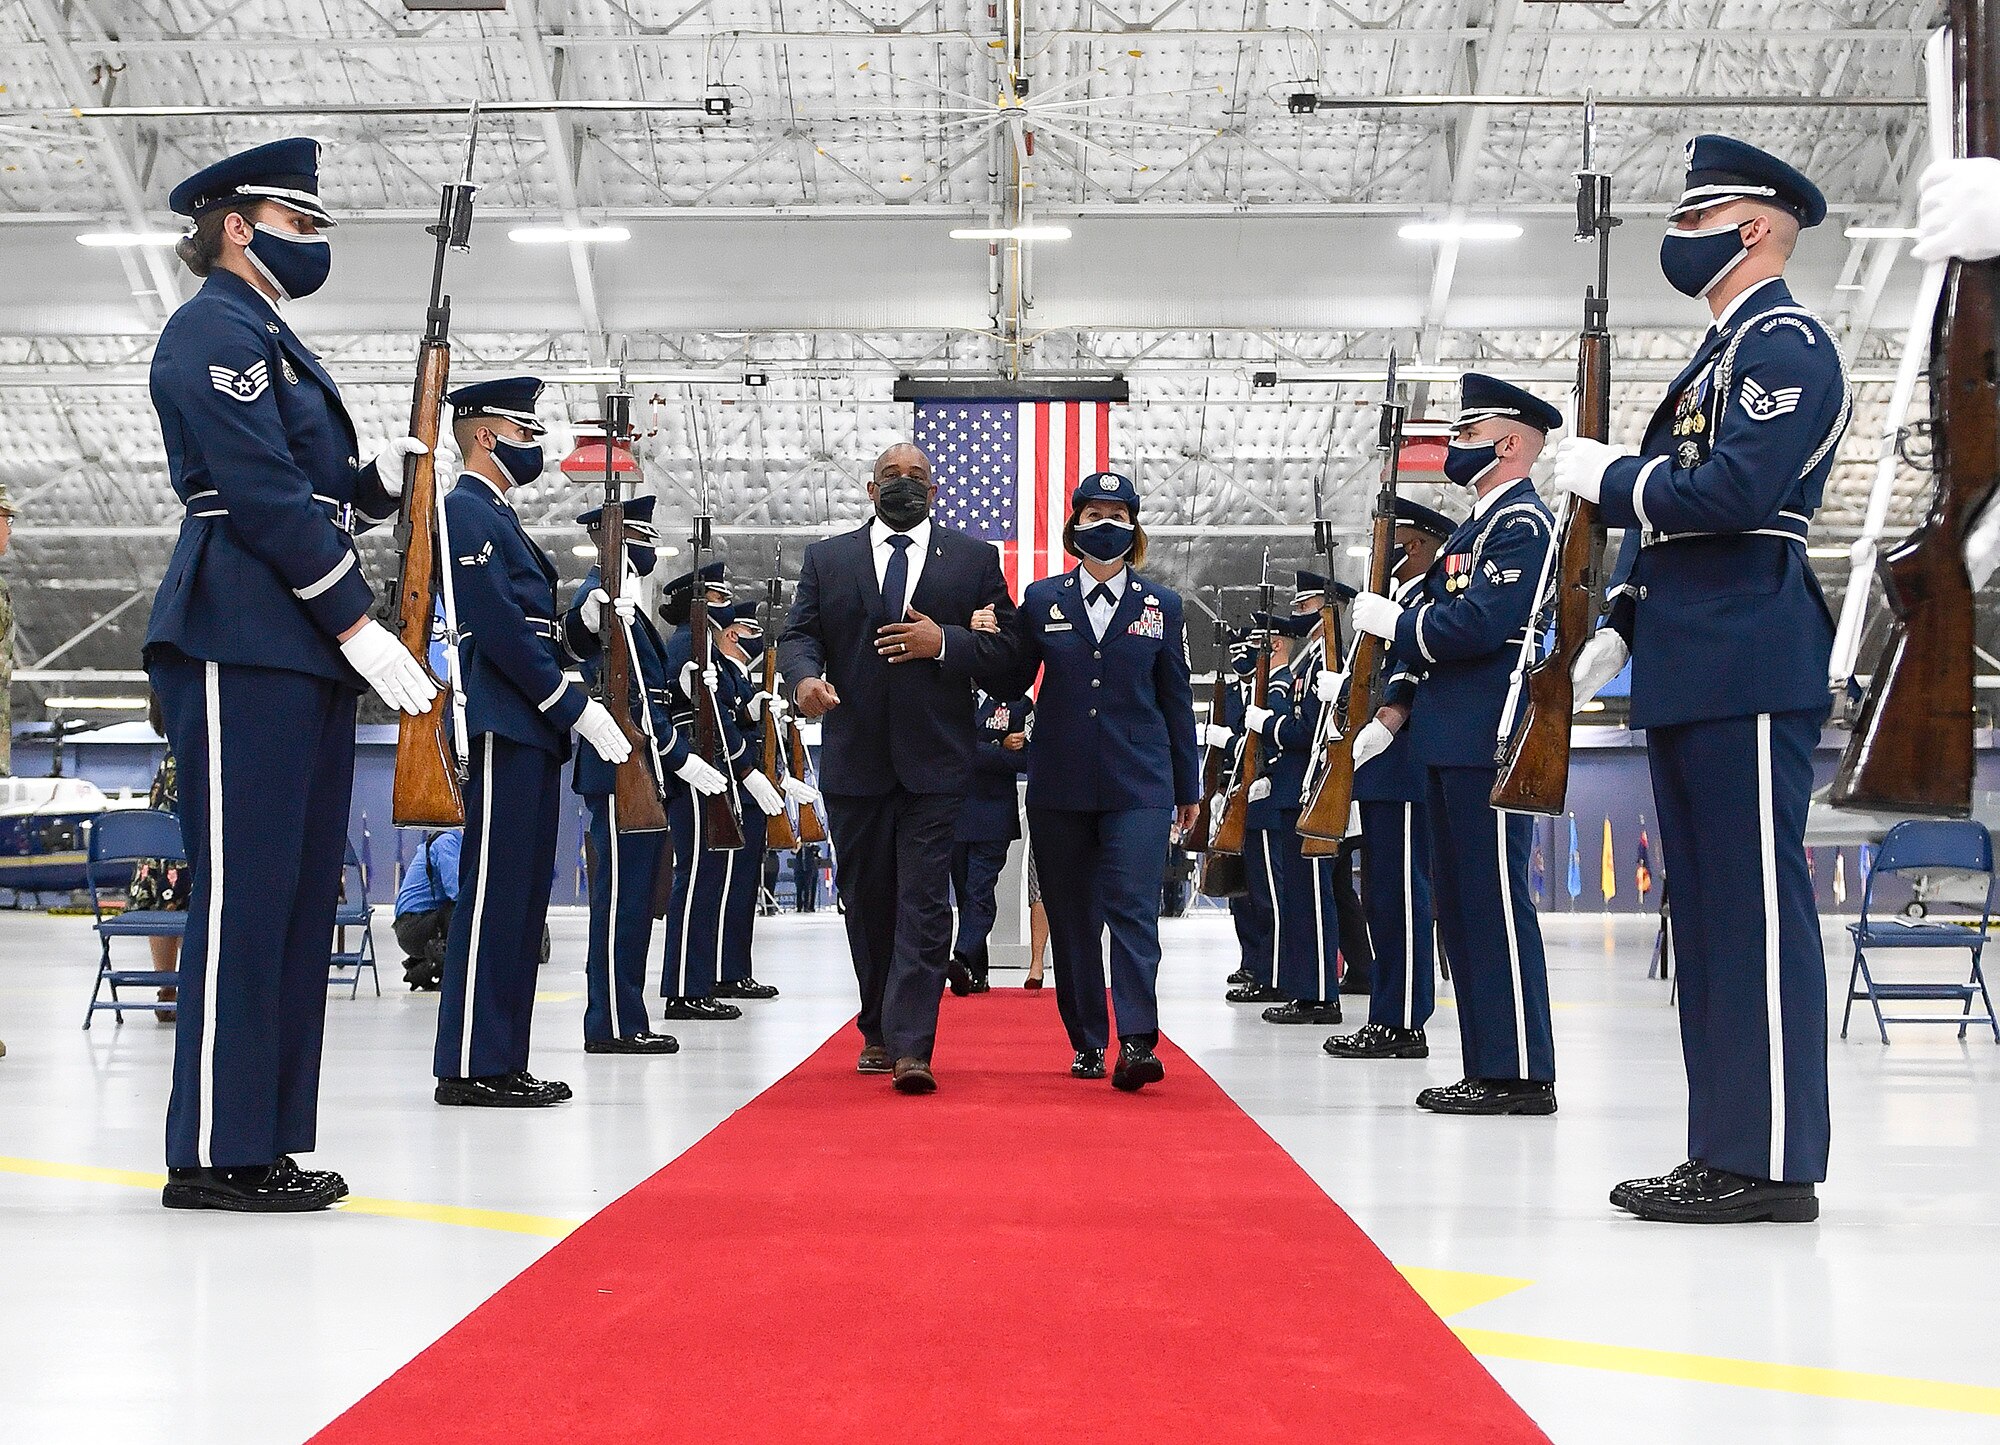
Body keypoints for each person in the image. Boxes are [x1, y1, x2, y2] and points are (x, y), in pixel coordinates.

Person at [1555, 137, 1849, 1223]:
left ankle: (1771, 1158)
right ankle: (1723, 1145)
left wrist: (1616, 480)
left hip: (1745, 650)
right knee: (1710, 918)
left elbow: (1729, 490)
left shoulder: (1782, 344)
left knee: (1755, 913)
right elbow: (1679, 522)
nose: (1675, 241)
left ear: (1755, 226)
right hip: (1690, 652)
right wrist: (1623, 618)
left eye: (1693, 221)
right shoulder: (1715, 356)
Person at [146, 138, 437, 1212]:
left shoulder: (265, 333)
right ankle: (216, 1149)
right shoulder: (211, 329)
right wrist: (357, 618)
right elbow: (259, 492)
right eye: (301, 224)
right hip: (240, 626)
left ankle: (259, 1137)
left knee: (296, 897)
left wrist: (374, 483)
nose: (314, 245)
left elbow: (313, 490)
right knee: (247, 894)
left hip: (292, 636)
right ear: (239, 224)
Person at [776, 441, 1023, 1094]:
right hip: (855, 760)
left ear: (935, 490)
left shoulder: (973, 560)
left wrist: (943, 640)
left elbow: (1007, 653)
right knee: (868, 902)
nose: (904, 483)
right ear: (869, 488)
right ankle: (878, 1026)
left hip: (937, 762)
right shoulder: (827, 560)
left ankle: (913, 1045)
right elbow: (798, 636)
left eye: (917, 476)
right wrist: (803, 680)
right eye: (892, 475)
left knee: (922, 902)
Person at [1350, 373, 1561, 1117]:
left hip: (1489, 737)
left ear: (1509, 445)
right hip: (1450, 736)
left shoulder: (1522, 526)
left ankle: (1523, 1069)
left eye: (1467, 436)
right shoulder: (1475, 529)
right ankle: (1489, 1063)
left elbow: (1474, 626)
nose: (1453, 447)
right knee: (1463, 906)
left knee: (1495, 902)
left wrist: (1397, 626)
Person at [431, 375, 632, 1108]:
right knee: (492, 899)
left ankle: (501, 1057)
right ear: (485, 435)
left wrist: (583, 623)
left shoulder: (498, 516)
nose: (534, 444)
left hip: (530, 727)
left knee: (519, 902)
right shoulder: (463, 510)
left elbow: (540, 629)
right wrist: (570, 704)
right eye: (523, 432)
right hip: (506, 720)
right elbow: (501, 629)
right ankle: (469, 1061)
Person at [1009, 472, 1199, 1088]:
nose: (1105, 524)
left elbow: (1174, 700)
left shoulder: (1162, 606)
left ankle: (1139, 1039)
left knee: (1134, 912)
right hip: (1060, 785)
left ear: (1135, 528)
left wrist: (1188, 787)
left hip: (1139, 784)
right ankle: (1088, 1038)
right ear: (1074, 526)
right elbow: (1011, 679)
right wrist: (972, 640)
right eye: (1094, 514)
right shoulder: (1041, 600)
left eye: (1118, 514)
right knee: (1071, 920)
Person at [567, 496, 729, 1055]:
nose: (647, 549)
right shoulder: (599, 597)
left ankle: (625, 1016)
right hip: (619, 770)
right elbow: (624, 692)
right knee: (619, 902)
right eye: (637, 537)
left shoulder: (630, 609)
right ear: (611, 541)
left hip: (644, 768)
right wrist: (680, 754)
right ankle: (611, 1022)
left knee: (636, 900)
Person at [1325, 498, 1452, 1060]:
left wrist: (1386, 720)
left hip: (1403, 765)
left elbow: (1416, 676)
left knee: (1401, 896)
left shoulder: (1428, 600)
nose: (1391, 556)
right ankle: (1387, 1011)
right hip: (1380, 767)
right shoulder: (1394, 604)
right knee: (1382, 896)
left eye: (1400, 543)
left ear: (1420, 546)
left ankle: (1401, 1020)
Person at [659, 564, 786, 1018]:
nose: (725, 604)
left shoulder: (701, 651)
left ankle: (701, 980)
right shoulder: (684, 646)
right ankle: (686, 987)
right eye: (716, 599)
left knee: (713, 881)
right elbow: (692, 718)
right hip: (699, 774)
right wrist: (746, 767)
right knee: (697, 881)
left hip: (715, 774)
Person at [715, 606, 793, 1000]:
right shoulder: (722, 674)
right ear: (730, 634)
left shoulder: (740, 676)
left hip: (754, 791)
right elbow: (724, 729)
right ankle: (725, 970)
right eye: (746, 630)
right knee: (731, 887)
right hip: (736, 790)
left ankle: (736, 969)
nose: (752, 639)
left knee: (745, 887)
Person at [948, 688, 1032, 996]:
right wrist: (995, 747)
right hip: (954, 813)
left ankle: (960, 956)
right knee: (965, 894)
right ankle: (976, 972)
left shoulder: (1019, 704)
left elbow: (1026, 758)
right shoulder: (951, 696)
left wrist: (970, 750)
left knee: (979, 890)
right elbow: (943, 746)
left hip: (994, 815)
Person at [1212, 626, 1274, 995]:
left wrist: (1231, 741)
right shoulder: (1234, 693)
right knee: (1240, 891)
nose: (1240, 656)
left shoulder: (1268, 691)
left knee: (1263, 893)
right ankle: (1250, 960)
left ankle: (1267, 965)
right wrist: (1218, 788)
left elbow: (1262, 745)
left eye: (1247, 648)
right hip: (1233, 795)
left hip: (1261, 795)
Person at [393, 830, 459, 991]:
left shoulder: (449, 840)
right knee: (465, 911)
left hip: (413, 925)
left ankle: (425, 964)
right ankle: (442, 966)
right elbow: (456, 891)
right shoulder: (447, 841)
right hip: (413, 927)